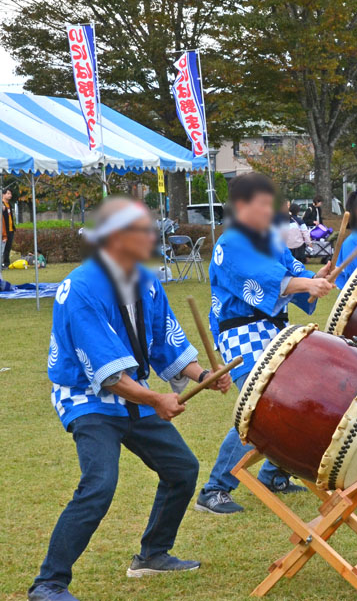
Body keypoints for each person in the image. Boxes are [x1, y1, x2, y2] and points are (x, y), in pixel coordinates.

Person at [29, 197, 231, 601]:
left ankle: (153, 554)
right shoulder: (82, 288)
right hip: (88, 397)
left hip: (133, 394)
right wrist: (157, 398)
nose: (151, 236)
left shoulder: (146, 281)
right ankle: (49, 583)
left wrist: (203, 375)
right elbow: (107, 375)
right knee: (99, 483)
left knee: (182, 469)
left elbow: (166, 345)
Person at [198, 174, 335, 515]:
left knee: (302, 399)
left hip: (275, 331)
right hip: (242, 336)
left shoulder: (270, 239)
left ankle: (274, 472)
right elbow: (268, 281)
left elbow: (293, 272)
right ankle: (215, 487)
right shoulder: (231, 243)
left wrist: (317, 278)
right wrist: (304, 284)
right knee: (259, 411)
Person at [2, 187, 15, 268]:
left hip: (11, 230)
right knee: (3, 248)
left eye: (10, 193)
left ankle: (7, 263)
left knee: (8, 248)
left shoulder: (9, 205)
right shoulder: (1, 204)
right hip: (4, 230)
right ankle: (3, 263)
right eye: (8, 193)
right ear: (3, 194)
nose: (10, 195)